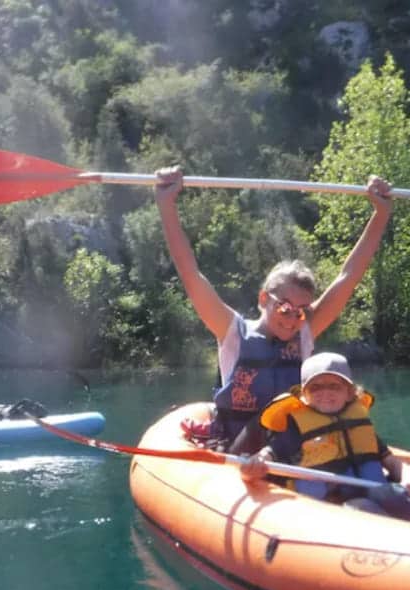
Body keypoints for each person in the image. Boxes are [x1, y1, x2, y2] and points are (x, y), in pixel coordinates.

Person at [154, 166, 392, 452]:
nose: (293, 320)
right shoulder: (231, 331)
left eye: (302, 311)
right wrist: (166, 204)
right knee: (267, 420)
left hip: (294, 443)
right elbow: (190, 273)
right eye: (286, 308)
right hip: (242, 446)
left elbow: (348, 276)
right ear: (264, 299)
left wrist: (381, 214)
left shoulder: (305, 330)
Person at [240, 352, 410, 523]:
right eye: (316, 387)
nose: (325, 393)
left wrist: (407, 477)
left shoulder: (358, 423)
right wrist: (255, 465)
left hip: (369, 494)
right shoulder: (297, 428)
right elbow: (270, 454)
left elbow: (390, 460)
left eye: (334, 386)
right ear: (304, 396)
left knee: (389, 494)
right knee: (362, 506)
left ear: (349, 393)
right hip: (328, 511)